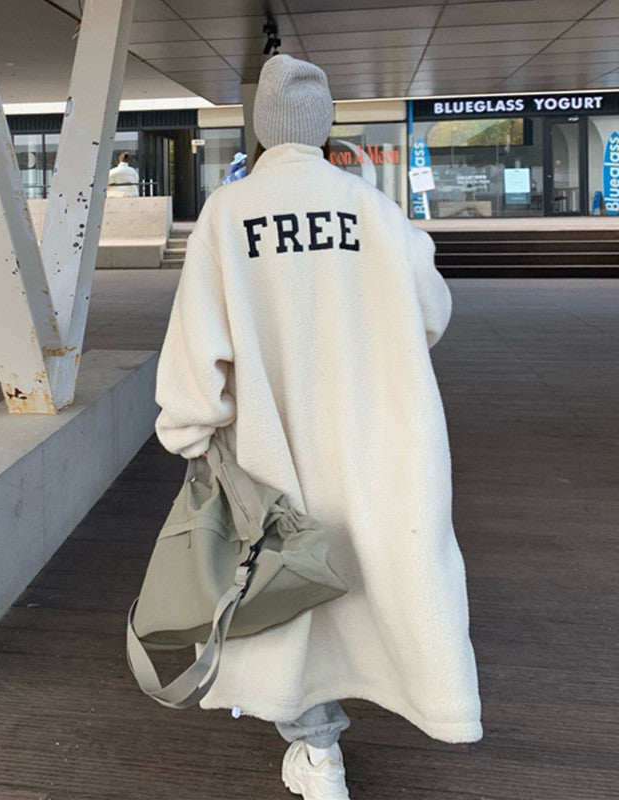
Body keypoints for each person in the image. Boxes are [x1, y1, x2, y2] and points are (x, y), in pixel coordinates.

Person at [153, 54, 482, 800]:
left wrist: (189, 431)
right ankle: (406, 706)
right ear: (323, 125)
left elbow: (195, 349)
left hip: (276, 444)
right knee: (388, 573)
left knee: (284, 589)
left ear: (264, 131)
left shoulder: (227, 214)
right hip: (382, 438)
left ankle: (317, 752)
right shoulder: (371, 208)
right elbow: (432, 314)